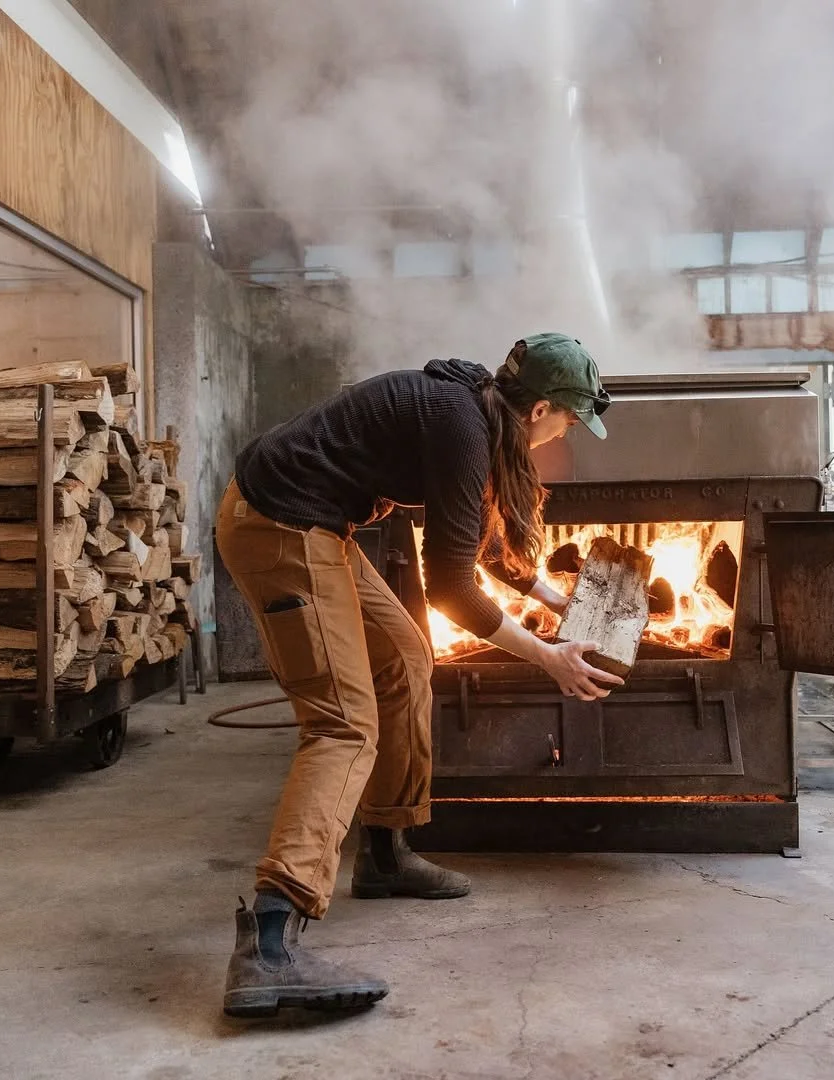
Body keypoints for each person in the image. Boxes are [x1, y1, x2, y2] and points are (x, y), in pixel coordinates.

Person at [214, 332, 618, 1018]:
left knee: (404, 657)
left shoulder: (477, 413)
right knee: (343, 726)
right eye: (569, 422)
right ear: (540, 409)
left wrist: (550, 598)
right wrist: (547, 656)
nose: (564, 435)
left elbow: (473, 539)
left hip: (318, 524)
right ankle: (271, 942)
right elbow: (452, 590)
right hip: (279, 526)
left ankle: (385, 853)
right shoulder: (462, 425)